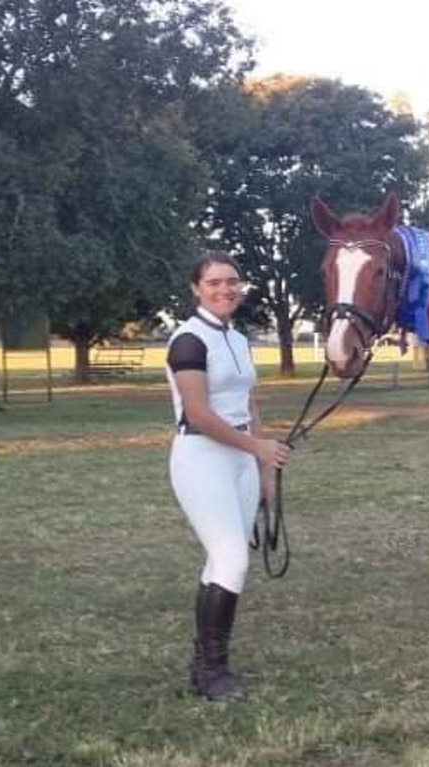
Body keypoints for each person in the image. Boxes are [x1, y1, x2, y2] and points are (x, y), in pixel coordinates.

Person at [165, 251, 291, 702]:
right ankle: (210, 670)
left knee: (223, 561)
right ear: (197, 289)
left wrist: (261, 465)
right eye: (215, 282)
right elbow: (198, 413)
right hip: (202, 457)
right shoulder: (188, 341)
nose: (225, 289)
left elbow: (248, 403)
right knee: (232, 558)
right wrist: (256, 447)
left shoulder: (237, 338)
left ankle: (208, 668)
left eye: (232, 281)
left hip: (239, 458)